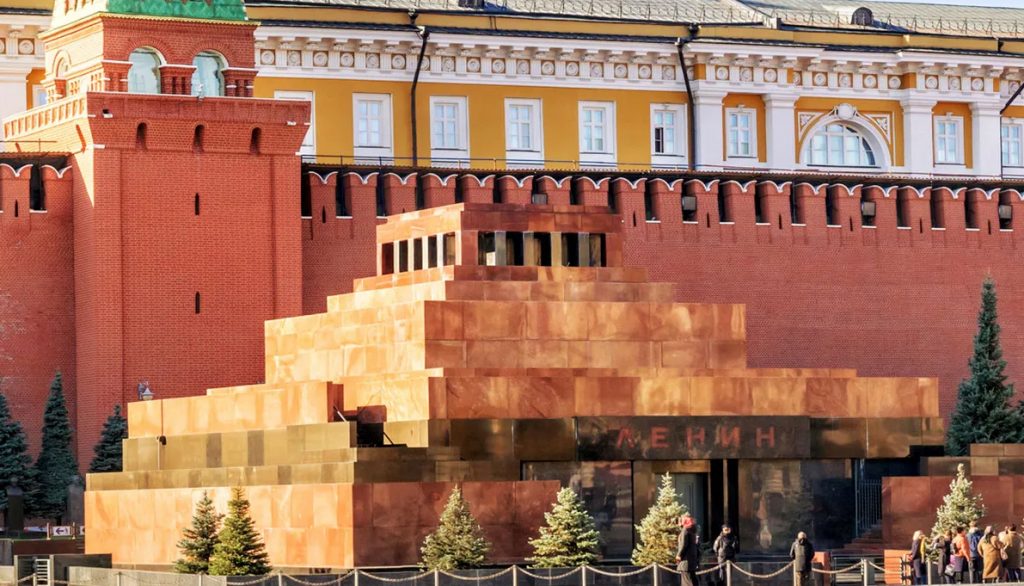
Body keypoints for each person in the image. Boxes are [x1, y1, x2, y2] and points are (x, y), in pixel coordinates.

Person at [675, 514, 699, 586]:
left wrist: (679, 555)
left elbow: (683, 544)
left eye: (680, 521)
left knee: (687, 581)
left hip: (686, 560)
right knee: (692, 579)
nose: (679, 523)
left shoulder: (685, 531)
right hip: (691, 560)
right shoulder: (692, 531)